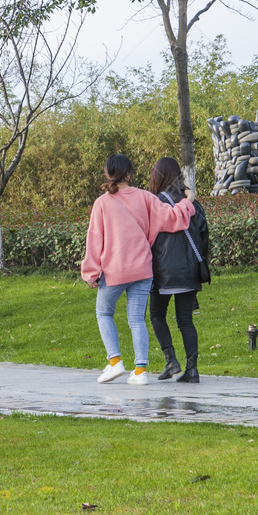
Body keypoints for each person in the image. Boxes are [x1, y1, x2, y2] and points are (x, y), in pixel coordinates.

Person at [81, 154, 197, 385]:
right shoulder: (146, 197)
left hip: (115, 271)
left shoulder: (102, 203)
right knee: (137, 320)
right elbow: (173, 218)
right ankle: (140, 371)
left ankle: (115, 363)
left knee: (104, 313)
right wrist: (188, 201)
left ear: (108, 174)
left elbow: (95, 239)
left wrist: (90, 272)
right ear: (129, 174)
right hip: (143, 270)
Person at [147, 158, 210, 383]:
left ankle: (170, 360)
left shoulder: (154, 203)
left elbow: (147, 237)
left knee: (156, 315)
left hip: (161, 271)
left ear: (157, 176)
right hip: (189, 269)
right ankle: (192, 369)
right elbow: (203, 233)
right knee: (185, 320)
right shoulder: (191, 201)